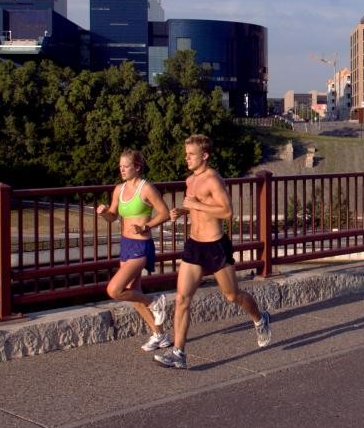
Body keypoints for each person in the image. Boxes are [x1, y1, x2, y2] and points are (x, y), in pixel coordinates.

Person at [154, 134, 271, 369]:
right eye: (185, 154)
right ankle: (179, 352)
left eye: (191, 155)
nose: (186, 158)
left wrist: (194, 205)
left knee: (232, 295)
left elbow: (227, 212)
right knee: (182, 299)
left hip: (215, 245)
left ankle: (260, 318)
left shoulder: (213, 179)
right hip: (194, 246)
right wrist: (183, 212)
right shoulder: (190, 180)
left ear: (204, 156)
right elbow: (199, 209)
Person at [97, 149, 171, 352]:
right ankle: (160, 335)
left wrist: (147, 226)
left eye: (126, 166)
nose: (121, 169)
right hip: (126, 245)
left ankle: (155, 301)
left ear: (137, 167)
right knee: (133, 294)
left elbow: (164, 213)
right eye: (120, 166)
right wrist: (105, 213)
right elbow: (113, 216)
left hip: (141, 245)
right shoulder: (118, 190)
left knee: (115, 290)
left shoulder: (146, 188)